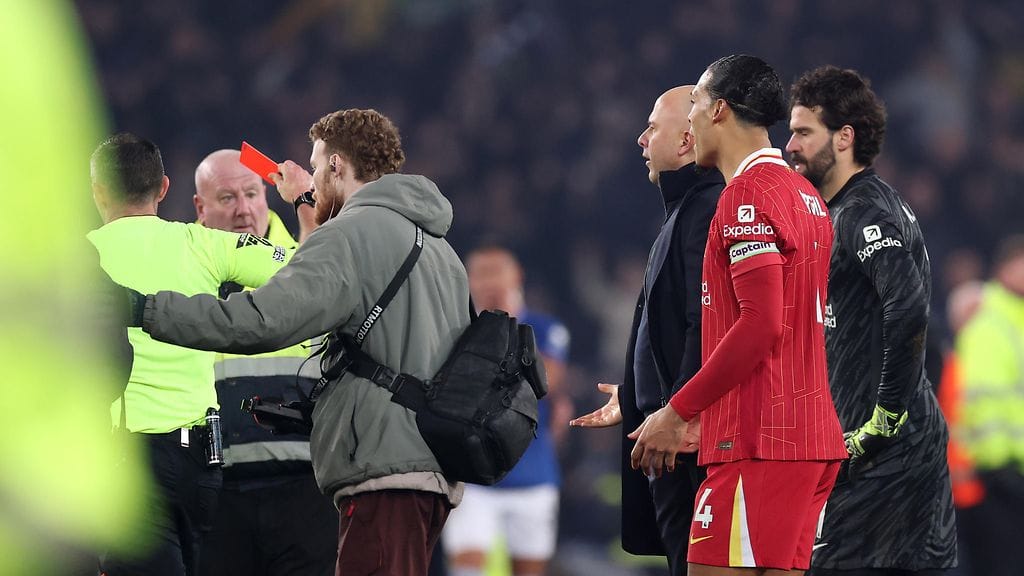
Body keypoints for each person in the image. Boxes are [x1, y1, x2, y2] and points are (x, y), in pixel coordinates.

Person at [127, 108, 471, 575]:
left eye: (313, 166)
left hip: (381, 467)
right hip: (427, 467)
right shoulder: (434, 243)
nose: (307, 179)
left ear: (335, 166)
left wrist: (143, 309)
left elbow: (263, 320)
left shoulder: (351, 236)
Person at [628, 55, 847, 575]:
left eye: (697, 106)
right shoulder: (804, 193)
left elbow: (761, 323)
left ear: (719, 110)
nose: (692, 120)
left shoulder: (745, 196)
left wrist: (678, 410)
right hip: (807, 440)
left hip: (758, 442)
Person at [87, 133, 293, 576]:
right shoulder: (205, 245)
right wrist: (310, 202)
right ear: (163, 188)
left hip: (124, 460)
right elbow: (300, 267)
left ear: (98, 193)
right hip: (201, 466)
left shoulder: (80, 259)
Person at [786, 65, 957, 575]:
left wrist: (883, 420)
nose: (789, 144)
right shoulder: (841, 210)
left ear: (844, 138)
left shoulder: (864, 211)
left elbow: (906, 306)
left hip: (885, 457)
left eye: (802, 132)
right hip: (889, 452)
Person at [569, 85, 723, 575]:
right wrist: (637, 393)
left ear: (684, 141)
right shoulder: (684, 212)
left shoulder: (706, 208)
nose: (640, 139)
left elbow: (710, 325)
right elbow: (675, 326)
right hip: (672, 429)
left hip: (689, 442)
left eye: (652, 126)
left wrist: (676, 410)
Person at [192, 149, 337, 576]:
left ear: (268, 195)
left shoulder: (308, 257)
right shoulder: (184, 268)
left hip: (306, 486)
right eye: (226, 198)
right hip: (216, 488)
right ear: (200, 208)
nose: (243, 210)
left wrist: (309, 212)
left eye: (252, 193)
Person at [442, 245, 570, 576]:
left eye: (496, 271)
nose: (489, 281)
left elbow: (546, 382)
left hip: (534, 479)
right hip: (473, 480)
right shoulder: (455, 331)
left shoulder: (545, 329)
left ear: (517, 276)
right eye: (480, 273)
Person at [954, 235, 1024, 576]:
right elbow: (981, 400)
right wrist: (995, 463)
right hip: (997, 473)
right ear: (1003, 268)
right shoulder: (988, 323)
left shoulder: (1012, 321)